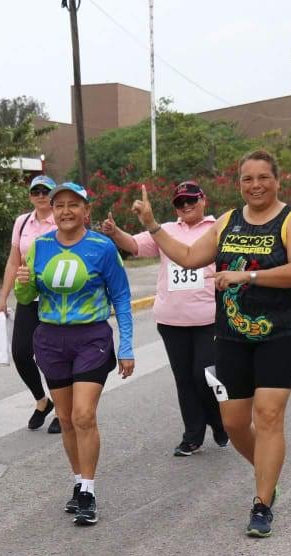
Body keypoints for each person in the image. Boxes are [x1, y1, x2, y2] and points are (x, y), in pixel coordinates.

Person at [131, 150, 291, 538]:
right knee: (233, 423)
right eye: (248, 179)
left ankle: (262, 502)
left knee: (267, 415)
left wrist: (245, 277)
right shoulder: (229, 221)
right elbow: (188, 256)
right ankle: (268, 473)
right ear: (239, 184)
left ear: (277, 180)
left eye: (263, 177)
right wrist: (152, 225)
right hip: (231, 335)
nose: (256, 185)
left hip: (282, 332)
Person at [15, 182, 135, 525]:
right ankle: (78, 480)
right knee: (66, 419)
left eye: (74, 204)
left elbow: (122, 298)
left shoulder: (102, 247)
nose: (66, 211)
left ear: (86, 210)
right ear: (53, 211)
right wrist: (23, 282)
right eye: (60, 205)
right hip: (51, 338)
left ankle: (89, 491)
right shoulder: (40, 247)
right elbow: (26, 298)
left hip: (91, 337)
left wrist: (126, 346)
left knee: (84, 415)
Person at [102, 180, 228, 457]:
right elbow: (134, 245)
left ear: (203, 199)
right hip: (172, 320)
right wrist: (114, 232)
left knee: (204, 377)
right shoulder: (165, 230)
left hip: (209, 318)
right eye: (180, 202)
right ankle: (192, 436)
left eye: (191, 200)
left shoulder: (218, 228)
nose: (186, 206)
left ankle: (219, 423)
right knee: (184, 379)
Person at [0, 174, 61, 434]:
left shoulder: (61, 220)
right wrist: (3, 297)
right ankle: (42, 401)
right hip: (28, 297)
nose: (41, 195)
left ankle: (63, 411)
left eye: (46, 190)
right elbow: (14, 261)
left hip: (56, 298)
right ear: (30, 195)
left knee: (53, 356)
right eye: (36, 191)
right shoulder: (22, 222)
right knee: (21, 353)